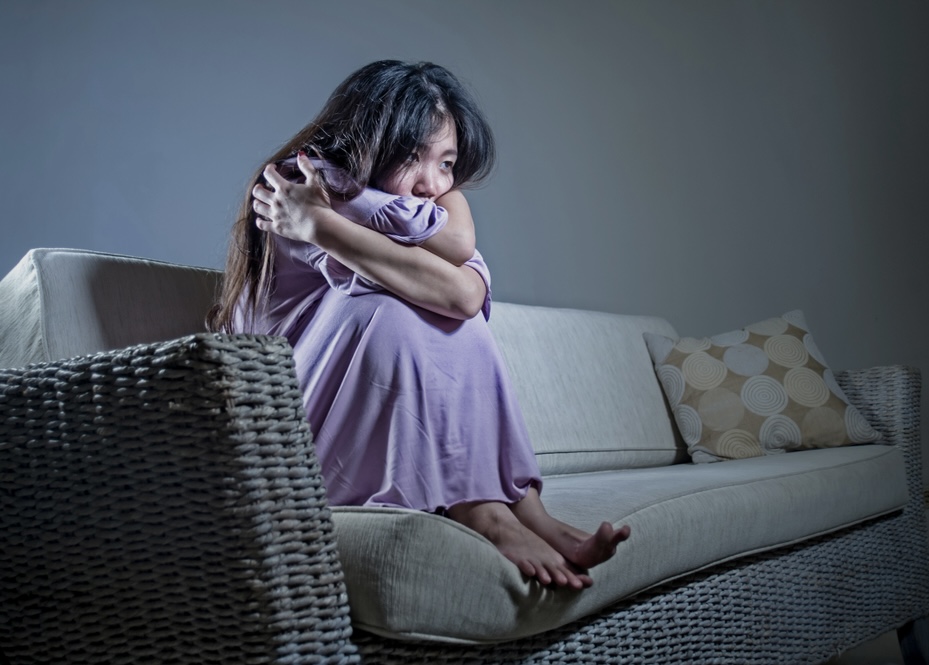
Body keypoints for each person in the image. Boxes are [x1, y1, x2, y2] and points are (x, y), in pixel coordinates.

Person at [209, 60, 629, 589]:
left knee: (440, 315)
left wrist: (327, 227)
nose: (433, 184)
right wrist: (317, 219)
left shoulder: (366, 205)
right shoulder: (301, 188)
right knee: (391, 312)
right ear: (366, 143)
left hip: (346, 404)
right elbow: (458, 287)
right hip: (289, 425)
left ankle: (532, 515)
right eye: (413, 157)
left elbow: (462, 273)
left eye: (448, 163)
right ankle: (483, 512)